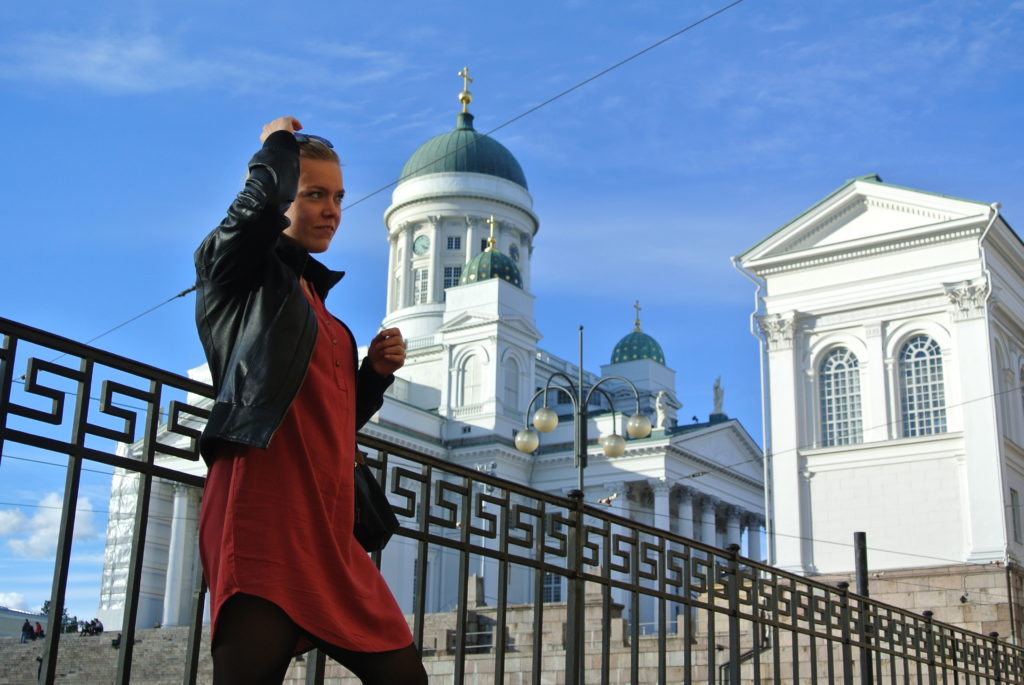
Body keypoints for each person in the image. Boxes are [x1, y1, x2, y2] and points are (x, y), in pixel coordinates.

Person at [193, 116, 427, 685]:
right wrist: (275, 148)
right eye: (314, 194)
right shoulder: (238, 277)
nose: (332, 210)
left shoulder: (324, 314)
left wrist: (371, 375)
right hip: (263, 507)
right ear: (280, 197)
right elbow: (248, 218)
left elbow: (331, 420)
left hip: (328, 521)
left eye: (339, 197)